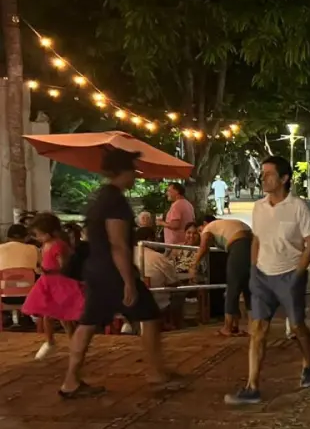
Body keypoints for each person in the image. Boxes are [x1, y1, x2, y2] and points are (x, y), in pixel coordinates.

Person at [60, 147, 178, 399]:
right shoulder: (115, 202)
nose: (136, 174)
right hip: (113, 272)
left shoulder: (99, 198)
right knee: (149, 316)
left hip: (95, 269)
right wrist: (128, 281)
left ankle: (70, 380)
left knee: (87, 323)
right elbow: (118, 244)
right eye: (133, 169)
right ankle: (156, 373)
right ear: (123, 171)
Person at [225, 156, 310, 405]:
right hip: (262, 277)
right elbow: (256, 239)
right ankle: (252, 386)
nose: (263, 178)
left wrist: (298, 273)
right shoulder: (259, 207)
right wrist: (254, 268)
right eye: (262, 174)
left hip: (290, 275)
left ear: (284, 178)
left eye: (268, 174)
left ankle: (308, 363)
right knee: (257, 330)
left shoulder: (298, 207)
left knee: (297, 326)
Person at [22, 213, 85, 360]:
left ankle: (72, 343)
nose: (38, 237)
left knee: (64, 316)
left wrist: (48, 270)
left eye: (40, 234)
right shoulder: (46, 244)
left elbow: (64, 266)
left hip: (58, 283)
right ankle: (50, 341)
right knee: (48, 314)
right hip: (47, 282)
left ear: (50, 232)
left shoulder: (58, 245)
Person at [194, 215, 252, 336]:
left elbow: (204, 247)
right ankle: (250, 326)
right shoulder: (223, 225)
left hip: (239, 245)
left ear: (204, 224)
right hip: (251, 244)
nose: (200, 234)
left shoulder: (208, 227)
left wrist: (193, 264)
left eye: (199, 230)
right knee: (247, 288)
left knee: (232, 288)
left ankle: (227, 327)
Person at [0, 224, 41, 327]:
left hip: (4, 297)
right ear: (26, 237)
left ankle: (6, 317)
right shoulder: (33, 249)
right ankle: (27, 317)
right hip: (28, 296)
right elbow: (41, 267)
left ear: (7, 237)